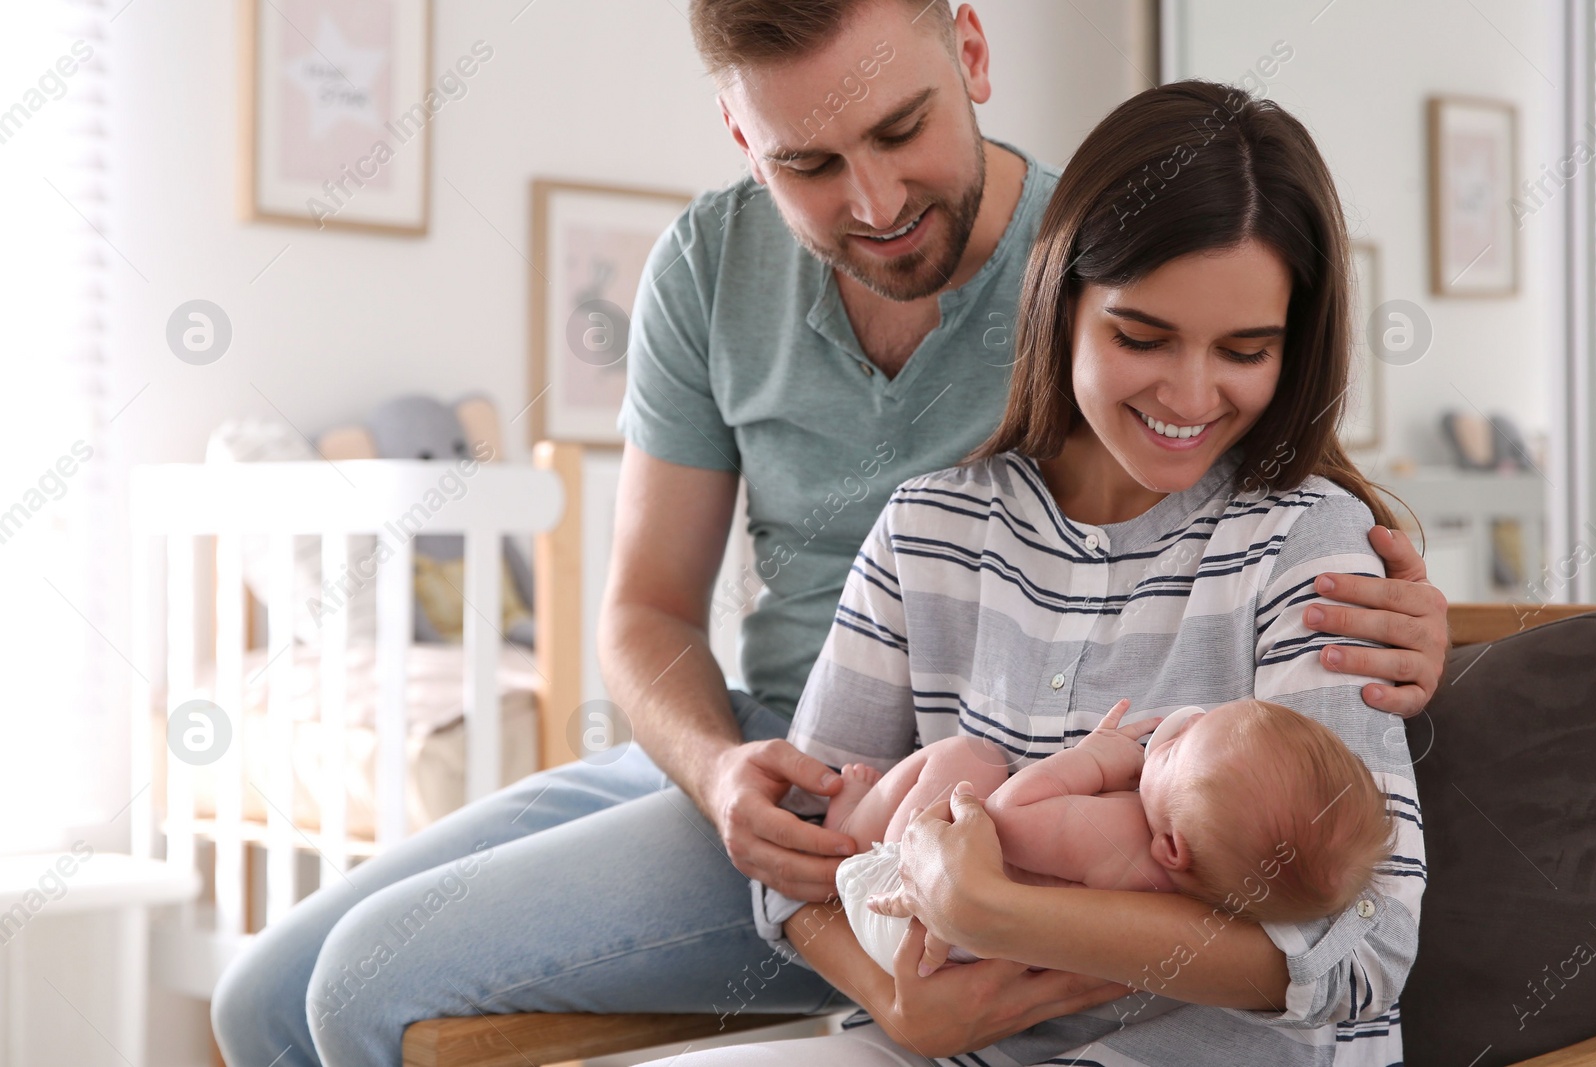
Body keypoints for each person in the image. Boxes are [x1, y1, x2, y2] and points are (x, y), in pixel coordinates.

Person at [208, 4, 1448, 1064]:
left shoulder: (1114, 245)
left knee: (366, 979)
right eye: (809, 161)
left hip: (947, 803)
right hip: (782, 768)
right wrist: (722, 778)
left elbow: (1249, 460)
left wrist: (1392, 590)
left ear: (968, 49)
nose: (874, 199)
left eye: (901, 130)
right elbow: (645, 608)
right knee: (261, 997)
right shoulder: (715, 275)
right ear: (744, 137)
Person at [643, 77, 1428, 1066]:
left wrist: (992, 908)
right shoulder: (927, 529)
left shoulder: (1306, 547)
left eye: (1245, 349)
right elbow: (794, 860)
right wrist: (896, 997)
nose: (1190, 394)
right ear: (1061, 307)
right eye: (1140, 336)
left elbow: (1363, 946)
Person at [826, 699, 1395, 976]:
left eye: (1172, 751)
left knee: (969, 757)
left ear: (1172, 847)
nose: (1176, 729)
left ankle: (851, 830)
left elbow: (1004, 817)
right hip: (948, 943)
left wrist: (1092, 762)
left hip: (904, 900)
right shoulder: (1193, 883)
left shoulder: (1117, 836)